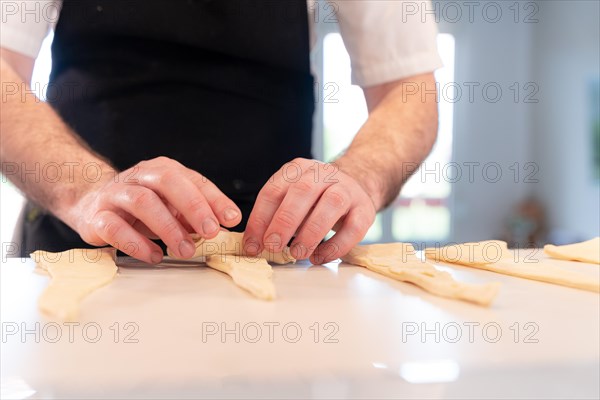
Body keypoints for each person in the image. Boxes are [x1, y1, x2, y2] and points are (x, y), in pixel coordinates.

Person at [0, 0, 441, 264]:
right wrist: (87, 191)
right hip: (83, 248)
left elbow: (407, 88)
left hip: (269, 255)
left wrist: (360, 176)